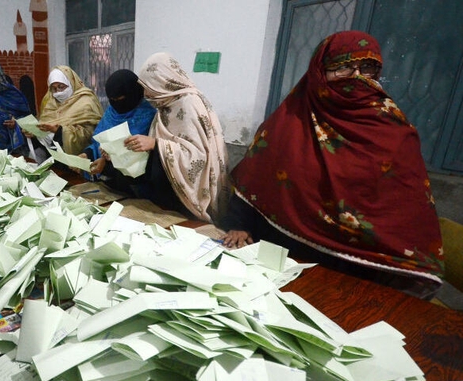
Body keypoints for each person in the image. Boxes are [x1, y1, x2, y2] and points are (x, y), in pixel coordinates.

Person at [219, 30, 444, 299]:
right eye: (343, 67)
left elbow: (408, 213)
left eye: (368, 67)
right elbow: (256, 179)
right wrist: (239, 224)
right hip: (276, 259)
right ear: (319, 72)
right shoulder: (288, 122)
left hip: (352, 274)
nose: (357, 77)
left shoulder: (392, 128)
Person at [125, 52, 230, 222]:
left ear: (162, 81)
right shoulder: (165, 104)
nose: (145, 94)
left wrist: (156, 144)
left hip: (187, 200)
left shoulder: (189, 103)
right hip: (167, 190)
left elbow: (199, 158)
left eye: (148, 86)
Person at [86, 69, 156, 193]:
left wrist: (111, 157)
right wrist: (89, 154)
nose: (117, 104)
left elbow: (147, 155)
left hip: (137, 185)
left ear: (134, 93)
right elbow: (99, 140)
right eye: (113, 100)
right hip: (110, 182)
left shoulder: (149, 115)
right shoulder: (111, 112)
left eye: (121, 99)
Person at [32, 65, 102, 158]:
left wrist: (60, 131)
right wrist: (34, 133)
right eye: (54, 88)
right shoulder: (50, 102)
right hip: (54, 158)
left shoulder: (86, 102)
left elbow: (90, 134)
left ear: (71, 82)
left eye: (61, 87)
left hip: (80, 160)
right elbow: (43, 126)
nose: (58, 92)